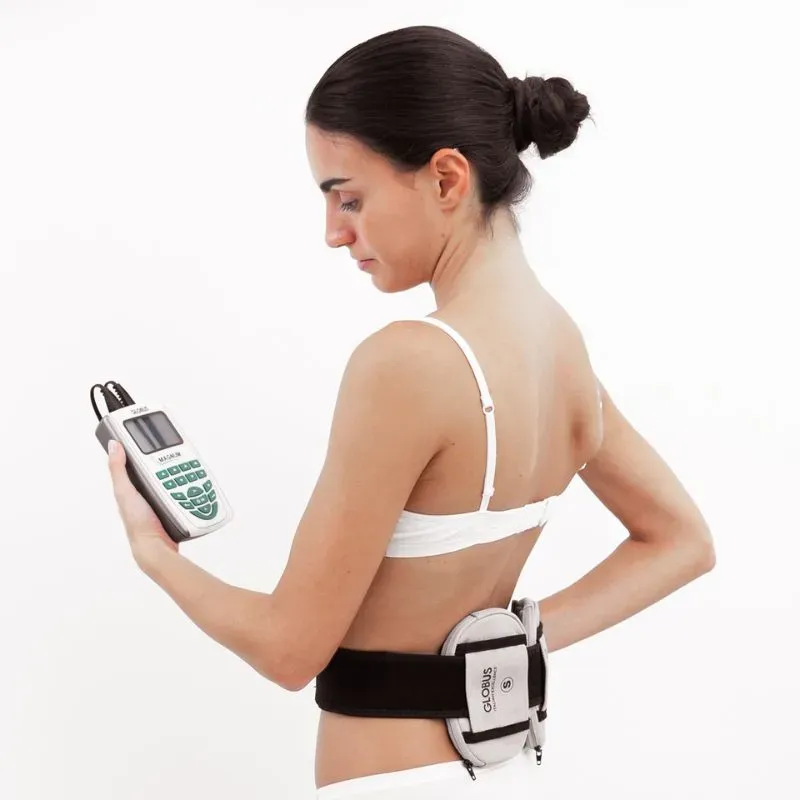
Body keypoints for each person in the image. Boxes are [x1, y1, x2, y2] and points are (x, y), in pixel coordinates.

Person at [107, 24, 716, 800]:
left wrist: (153, 553)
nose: (335, 234)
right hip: (508, 773)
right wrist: (508, 647)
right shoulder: (563, 350)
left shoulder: (408, 363)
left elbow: (288, 650)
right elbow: (681, 541)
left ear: (447, 178)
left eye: (349, 198)